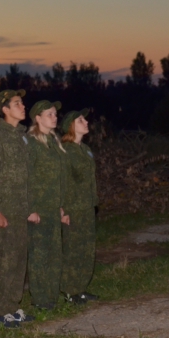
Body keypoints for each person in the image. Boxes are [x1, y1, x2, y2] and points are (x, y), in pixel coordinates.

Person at [0, 89, 36, 326]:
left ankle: (13, 306)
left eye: (22, 102)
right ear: (5, 110)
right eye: (17, 103)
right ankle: (2, 311)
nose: (22, 106)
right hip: (4, 210)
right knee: (5, 260)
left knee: (18, 260)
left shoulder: (20, 135)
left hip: (19, 209)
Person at [26, 99, 69, 310]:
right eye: (49, 114)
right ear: (38, 118)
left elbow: (58, 178)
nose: (54, 117)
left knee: (54, 253)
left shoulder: (54, 141)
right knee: (39, 255)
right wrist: (30, 208)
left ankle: (51, 296)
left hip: (53, 207)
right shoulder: (31, 143)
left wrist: (61, 205)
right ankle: (41, 299)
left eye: (55, 113)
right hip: (39, 209)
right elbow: (26, 178)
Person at [58, 109, 99, 304]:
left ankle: (81, 288)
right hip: (73, 208)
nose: (86, 121)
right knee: (73, 249)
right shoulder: (66, 150)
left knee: (87, 249)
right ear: (71, 127)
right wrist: (63, 209)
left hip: (87, 206)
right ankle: (69, 291)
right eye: (80, 120)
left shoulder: (85, 149)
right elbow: (63, 181)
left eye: (85, 119)